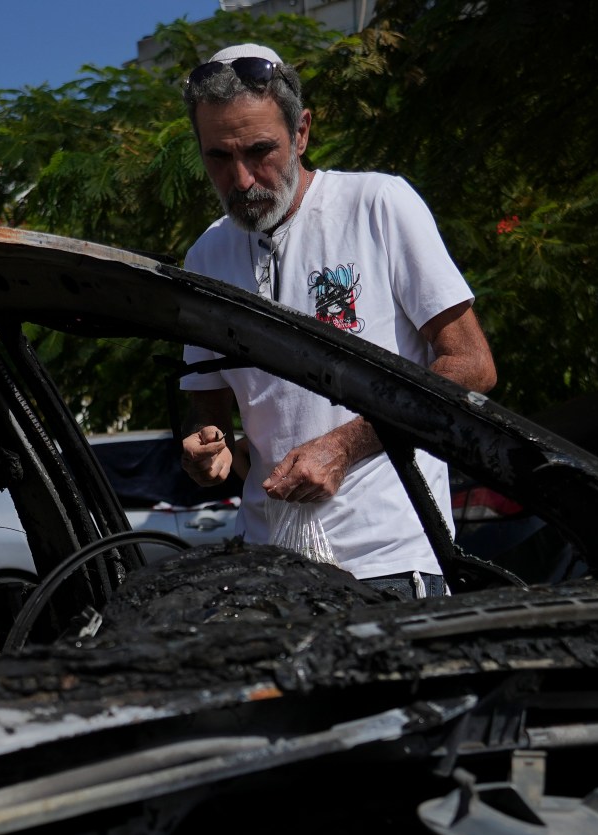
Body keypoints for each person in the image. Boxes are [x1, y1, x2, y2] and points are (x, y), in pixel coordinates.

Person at [175, 42, 498, 601]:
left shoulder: (377, 204)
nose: (244, 180)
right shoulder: (206, 255)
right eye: (219, 159)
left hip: (390, 558)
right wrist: (208, 449)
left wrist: (346, 445)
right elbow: (208, 403)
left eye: (260, 151)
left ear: (301, 133)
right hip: (267, 564)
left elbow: (471, 365)